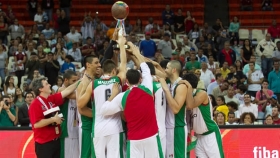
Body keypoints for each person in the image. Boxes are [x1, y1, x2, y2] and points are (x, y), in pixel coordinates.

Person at [100, 45, 163, 157]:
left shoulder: (122, 97)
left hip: (134, 139)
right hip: (151, 136)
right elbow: (146, 69)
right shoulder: (148, 88)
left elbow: (104, 110)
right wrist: (136, 52)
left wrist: (113, 94)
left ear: (127, 81)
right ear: (140, 79)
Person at [77, 36, 127, 157]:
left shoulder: (93, 84)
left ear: (102, 70)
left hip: (98, 128)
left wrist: (97, 113)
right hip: (115, 127)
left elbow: (80, 105)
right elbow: (124, 64)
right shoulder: (117, 80)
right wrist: (121, 45)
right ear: (114, 70)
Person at [28, 77, 79, 158]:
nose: (50, 85)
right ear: (41, 89)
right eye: (46, 84)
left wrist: (80, 81)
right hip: (44, 144)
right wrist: (53, 119)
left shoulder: (51, 99)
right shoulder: (35, 104)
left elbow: (66, 91)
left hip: (55, 140)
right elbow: (36, 124)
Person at [180, 73, 224, 158]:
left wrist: (188, 87)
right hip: (198, 136)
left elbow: (190, 105)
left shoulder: (202, 93)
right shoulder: (186, 96)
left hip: (210, 134)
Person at [159, 60, 188, 158]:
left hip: (177, 128)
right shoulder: (168, 82)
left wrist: (166, 90)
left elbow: (175, 109)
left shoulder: (181, 85)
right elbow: (152, 66)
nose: (165, 70)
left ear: (174, 70)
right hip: (167, 128)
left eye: (167, 68)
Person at [76, 55, 101, 158]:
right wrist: (99, 115)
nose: (99, 65)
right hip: (87, 127)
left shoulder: (95, 80)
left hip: (96, 125)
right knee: (86, 155)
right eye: (96, 63)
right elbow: (81, 109)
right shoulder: (83, 83)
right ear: (88, 65)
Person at [57, 70, 79, 158]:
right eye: (73, 81)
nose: (76, 83)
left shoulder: (75, 90)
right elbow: (69, 94)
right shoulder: (61, 90)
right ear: (66, 80)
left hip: (77, 130)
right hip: (66, 130)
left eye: (76, 81)